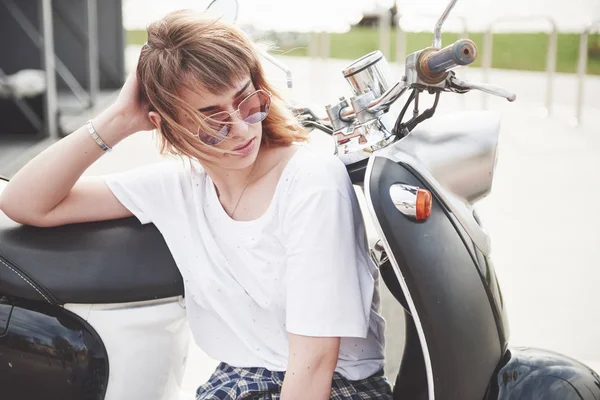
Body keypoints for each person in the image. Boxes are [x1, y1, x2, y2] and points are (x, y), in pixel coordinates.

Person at [0, 10, 392, 400]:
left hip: (335, 387)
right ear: (166, 125)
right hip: (234, 382)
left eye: (248, 101)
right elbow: (24, 202)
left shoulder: (311, 181)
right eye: (211, 118)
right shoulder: (178, 189)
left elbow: (316, 365)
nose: (240, 129)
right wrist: (119, 119)